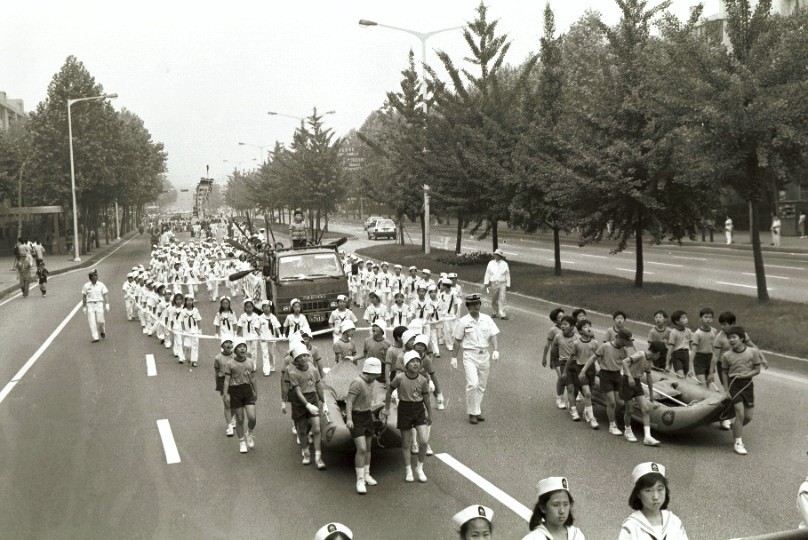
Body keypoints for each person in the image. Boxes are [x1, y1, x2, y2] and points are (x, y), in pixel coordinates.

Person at [383, 350, 431, 482]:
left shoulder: (423, 380)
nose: (415, 364)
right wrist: (387, 409)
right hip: (404, 409)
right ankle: (408, 469)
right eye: (412, 361)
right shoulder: (399, 378)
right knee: (406, 443)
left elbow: (426, 398)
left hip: (419, 409)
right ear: (406, 364)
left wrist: (430, 414)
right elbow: (389, 392)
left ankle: (419, 468)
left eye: (417, 361)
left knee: (424, 441)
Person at [452, 293, 500, 425]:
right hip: (470, 355)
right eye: (472, 305)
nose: (475, 307)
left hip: (484, 355)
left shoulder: (487, 319)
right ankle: (472, 413)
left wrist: (495, 349)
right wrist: (454, 358)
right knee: (473, 383)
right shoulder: (463, 321)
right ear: (467, 306)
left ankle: (476, 410)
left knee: (481, 386)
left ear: (480, 305)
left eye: (477, 304)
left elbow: (493, 335)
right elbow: (457, 340)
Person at [580, 328, 633, 436]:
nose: (625, 345)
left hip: (617, 376)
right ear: (618, 338)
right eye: (624, 342)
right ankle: (612, 425)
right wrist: (583, 370)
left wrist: (629, 376)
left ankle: (612, 417)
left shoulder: (624, 350)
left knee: (619, 401)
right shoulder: (606, 346)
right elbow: (592, 358)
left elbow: (625, 364)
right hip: (606, 375)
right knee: (612, 401)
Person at [719, 326, 763, 456]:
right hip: (734, 384)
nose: (731, 340)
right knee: (740, 413)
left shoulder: (753, 352)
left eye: (734, 337)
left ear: (742, 338)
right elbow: (725, 373)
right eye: (729, 338)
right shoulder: (726, 355)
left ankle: (736, 429)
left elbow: (757, 369)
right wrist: (726, 390)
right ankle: (738, 442)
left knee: (748, 416)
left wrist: (746, 375)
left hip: (747, 384)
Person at [618, 462, 688, 539]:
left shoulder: (674, 522)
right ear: (638, 494)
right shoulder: (631, 528)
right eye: (648, 490)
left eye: (660, 489)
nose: (655, 497)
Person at [346, 357, 382, 494]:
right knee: (361, 448)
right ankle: (360, 479)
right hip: (356, 417)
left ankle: (367, 474)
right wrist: (349, 419)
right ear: (369, 371)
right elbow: (349, 402)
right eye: (376, 374)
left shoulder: (371, 383)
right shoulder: (357, 383)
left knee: (368, 448)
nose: (377, 376)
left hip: (367, 416)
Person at [288, 344, 327, 469]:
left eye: (305, 355)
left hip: (313, 399)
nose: (304, 358)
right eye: (300, 357)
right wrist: (307, 405)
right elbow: (298, 392)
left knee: (316, 429)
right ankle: (306, 453)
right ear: (295, 361)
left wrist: (324, 403)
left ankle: (318, 457)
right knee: (302, 430)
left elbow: (319, 387)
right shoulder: (293, 373)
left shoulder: (313, 370)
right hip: (300, 403)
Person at [620, 342, 665, 446]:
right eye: (660, 355)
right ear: (656, 353)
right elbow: (624, 362)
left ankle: (647, 437)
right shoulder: (640, 354)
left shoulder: (649, 361)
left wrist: (651, 393)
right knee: (629, 410)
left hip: (637, 383)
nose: (659, 357)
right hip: (627, 381)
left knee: (645, 409)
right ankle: (627, 430)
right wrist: (630, 376)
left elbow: (649, 378)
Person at [222, 337, 258, 454]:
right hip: (235, 391)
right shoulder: (230, 364)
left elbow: (253, 378)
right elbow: (227, 380)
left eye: (244, 346)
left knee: (252, 417)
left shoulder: (250, 362)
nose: (242, 349)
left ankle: (249, 433)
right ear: (235, 350)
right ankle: (241, 441)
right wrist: (226, 394)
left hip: (247, 390)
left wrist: (255, 391)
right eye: (239, 347)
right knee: (240, 419)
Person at [213, 337, 236, 437]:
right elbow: (217, 372)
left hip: (235, 381)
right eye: (226, 342)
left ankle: (232, 418)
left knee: (235, 403)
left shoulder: (235, 356)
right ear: (222, 345)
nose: (228, 345)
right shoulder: (218, 358)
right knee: (227, 403)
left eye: (230, 342)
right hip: (223, 381)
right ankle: (229, 426)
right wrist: (218, 384)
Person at [81, 269, 109, 343]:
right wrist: (84, 307)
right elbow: (84, 296)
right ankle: (95, 337)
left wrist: (107, 304)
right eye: (95, 275)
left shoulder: (101, 284)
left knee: (100, 321)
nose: (97, 277)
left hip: (99, 304)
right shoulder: (86, 286)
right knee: (92, 321)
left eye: (97, 275)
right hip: (90, 304)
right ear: (91, 277)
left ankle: (102, 331)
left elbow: (105, 294)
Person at [483, 248, 510, 319]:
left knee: (502, 298)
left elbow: (507, 274)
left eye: (497, 255)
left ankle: (502, 314)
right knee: (494, 299)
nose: (496, 256)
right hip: (494, 283)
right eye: (495, 254)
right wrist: (486, 282)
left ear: (500, 256)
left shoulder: (504, 264)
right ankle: (495, 312)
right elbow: (487, 273)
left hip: (502, 283)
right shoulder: (491, 263)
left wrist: (508, 284)